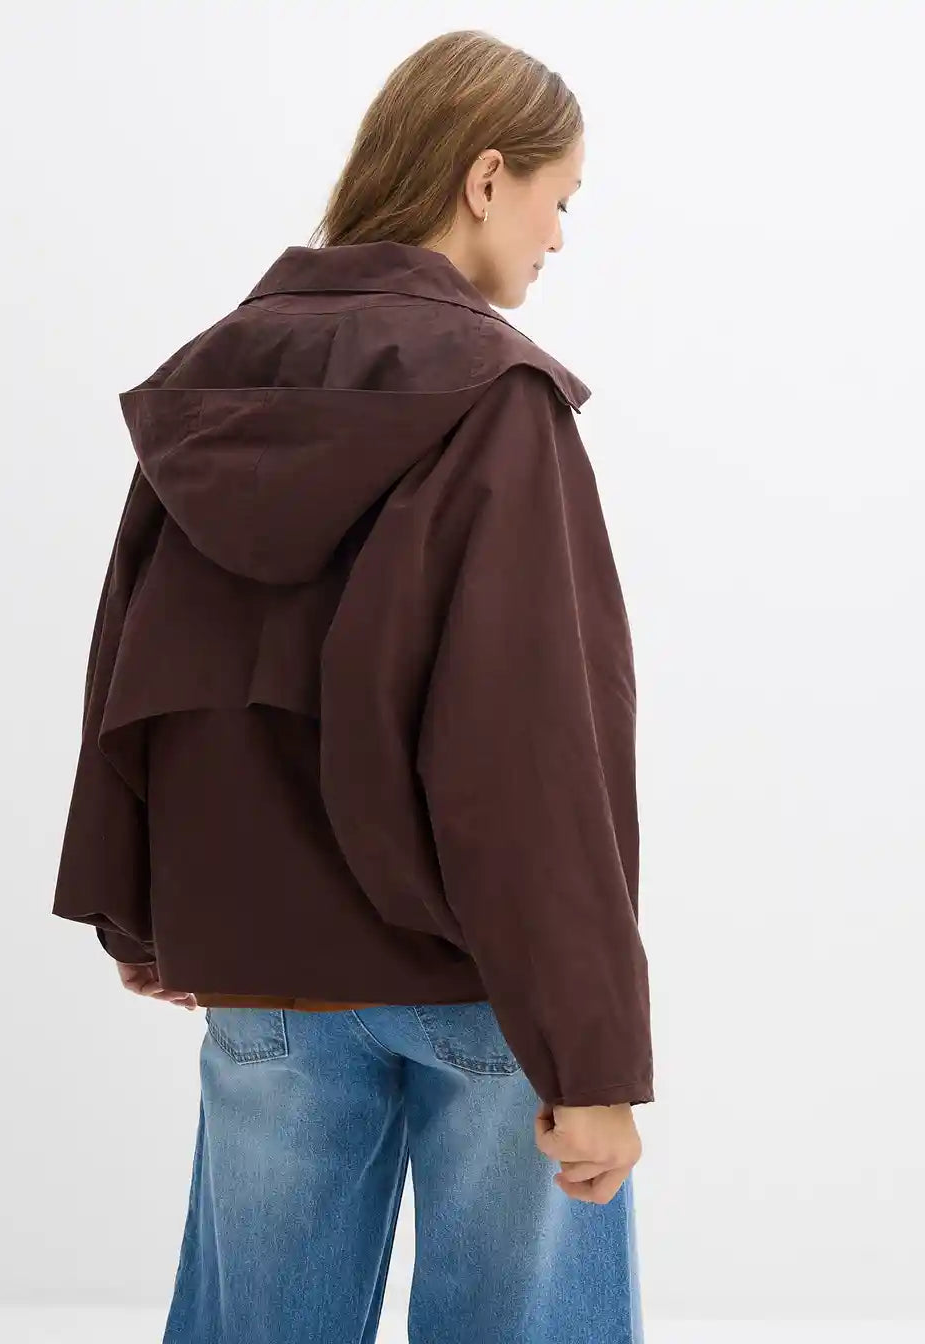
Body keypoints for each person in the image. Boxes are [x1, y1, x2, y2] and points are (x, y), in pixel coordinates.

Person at [51, 28, 652, 1344]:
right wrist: (592, 1053)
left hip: (262, 977)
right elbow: (533, 748)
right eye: (560, 197)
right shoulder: (498, 403)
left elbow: (130, 661)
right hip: (481, 989)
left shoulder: (211, 383)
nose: (560, 236)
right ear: (486, 178)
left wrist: (139, 910)